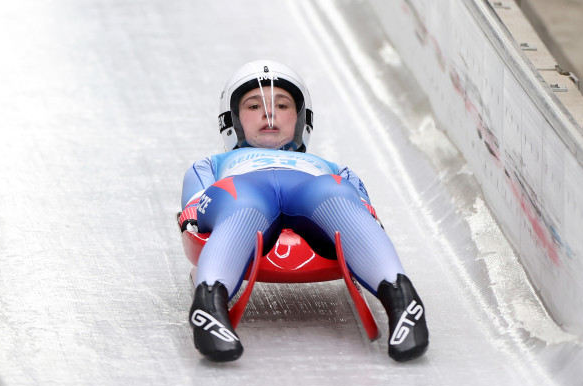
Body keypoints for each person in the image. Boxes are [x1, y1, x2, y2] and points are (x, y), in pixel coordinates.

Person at [179, 60, 429, 363]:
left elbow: (364, 210)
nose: (268, 114)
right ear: (232, 119)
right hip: (243, 190)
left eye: (282, 105)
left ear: (300, 118)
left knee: (334, 190)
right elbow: (195, 203)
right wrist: (194, 213)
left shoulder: (333, 169)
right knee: (241, 200)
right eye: (254, 105)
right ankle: (209, 307)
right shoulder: (211, 163)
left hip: (310, 189)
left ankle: (403, 302)